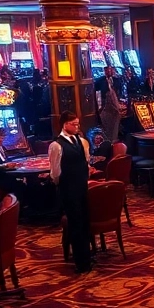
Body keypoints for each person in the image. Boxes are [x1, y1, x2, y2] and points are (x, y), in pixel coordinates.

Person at [49, 112, 93, 274]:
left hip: (82, 187)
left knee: (85, 222)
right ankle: (81, 262)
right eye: (74, 124)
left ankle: (87, 256)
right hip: (68, 190)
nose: (77, 127)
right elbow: (55, 173)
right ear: (65, 124)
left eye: (78, 124)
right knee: (75, 224)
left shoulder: (81, 141)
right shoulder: (56, 145)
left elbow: (85, 162)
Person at [95, 66, 125, 144]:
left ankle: (114, 141)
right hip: (104, 108)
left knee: (115, 128)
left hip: (115, 108)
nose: (109, 71)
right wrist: (99, 108)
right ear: (104, 71)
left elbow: (121, 94)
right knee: (107, 128)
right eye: (107, 70)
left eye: (110, 69)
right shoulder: (99, 81)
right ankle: (108, 142)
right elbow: (97, 95)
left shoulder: (117, 81)